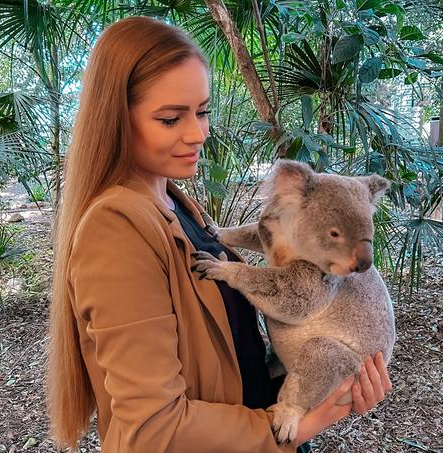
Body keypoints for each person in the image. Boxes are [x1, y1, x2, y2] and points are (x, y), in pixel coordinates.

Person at [47, 16, 392, 453]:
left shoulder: (173, 204)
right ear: (116, 118)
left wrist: (332, 380)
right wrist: (296, 427)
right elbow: (154, 431)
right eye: (171, 119)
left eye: (202, 111)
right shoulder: (116, 230)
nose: (198, 133)